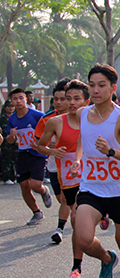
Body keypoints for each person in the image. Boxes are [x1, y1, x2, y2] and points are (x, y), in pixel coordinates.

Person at [69, 64, 120, 278]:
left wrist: (111, 152)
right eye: (92, 85)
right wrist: (78, 161)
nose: (96, 90)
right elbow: (83, 139)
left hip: (118, 189)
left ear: (113, 88)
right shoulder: (83, 113)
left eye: (101, 85)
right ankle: (106, 258)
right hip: (91, 187)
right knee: (83, 239)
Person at [36, 80, 90, 278]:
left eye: (77, 99)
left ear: (87, 101)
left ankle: (77, 268)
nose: (72, 103)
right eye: (69, 99)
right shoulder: (55, 122)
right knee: (75, 219)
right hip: (69, 179)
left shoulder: (95, 121)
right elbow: (39, 146)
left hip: (94, 179)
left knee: (78, 216)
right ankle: (78, 267)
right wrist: (52, 151)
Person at [5, 88, 53, 225]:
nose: (18, 101)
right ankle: (37, 213)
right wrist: (12, 136)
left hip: (37, 154)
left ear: (26, 99)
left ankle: (44, 191)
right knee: (24, 186)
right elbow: (9, 140)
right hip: (22, 154)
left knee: (35, 185)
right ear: (11, 101)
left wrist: (40, 143)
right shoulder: (12, 119)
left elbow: (49, 131)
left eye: (21, 98)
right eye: (15, 99)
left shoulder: (37, 115)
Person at [34, 79, 71, 243]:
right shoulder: (47, 119)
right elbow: (37, 143)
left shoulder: (81, 116)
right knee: (62, 200)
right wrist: (51, 148)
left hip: (75, 165)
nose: (59, 102)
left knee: (65, 199)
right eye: (56, 99)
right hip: (54, 165)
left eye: (63, 98)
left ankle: (59, 229)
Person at [1, 101, 18, 184]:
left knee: (14, 159)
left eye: (12, 106)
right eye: (9, 106)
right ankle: (6, 177)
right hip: (5, 142)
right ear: (5, 107)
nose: (11, 108)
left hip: (15, 142)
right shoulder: (2, 118)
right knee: (6, 159)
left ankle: (13, 177)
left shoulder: (16, 117)